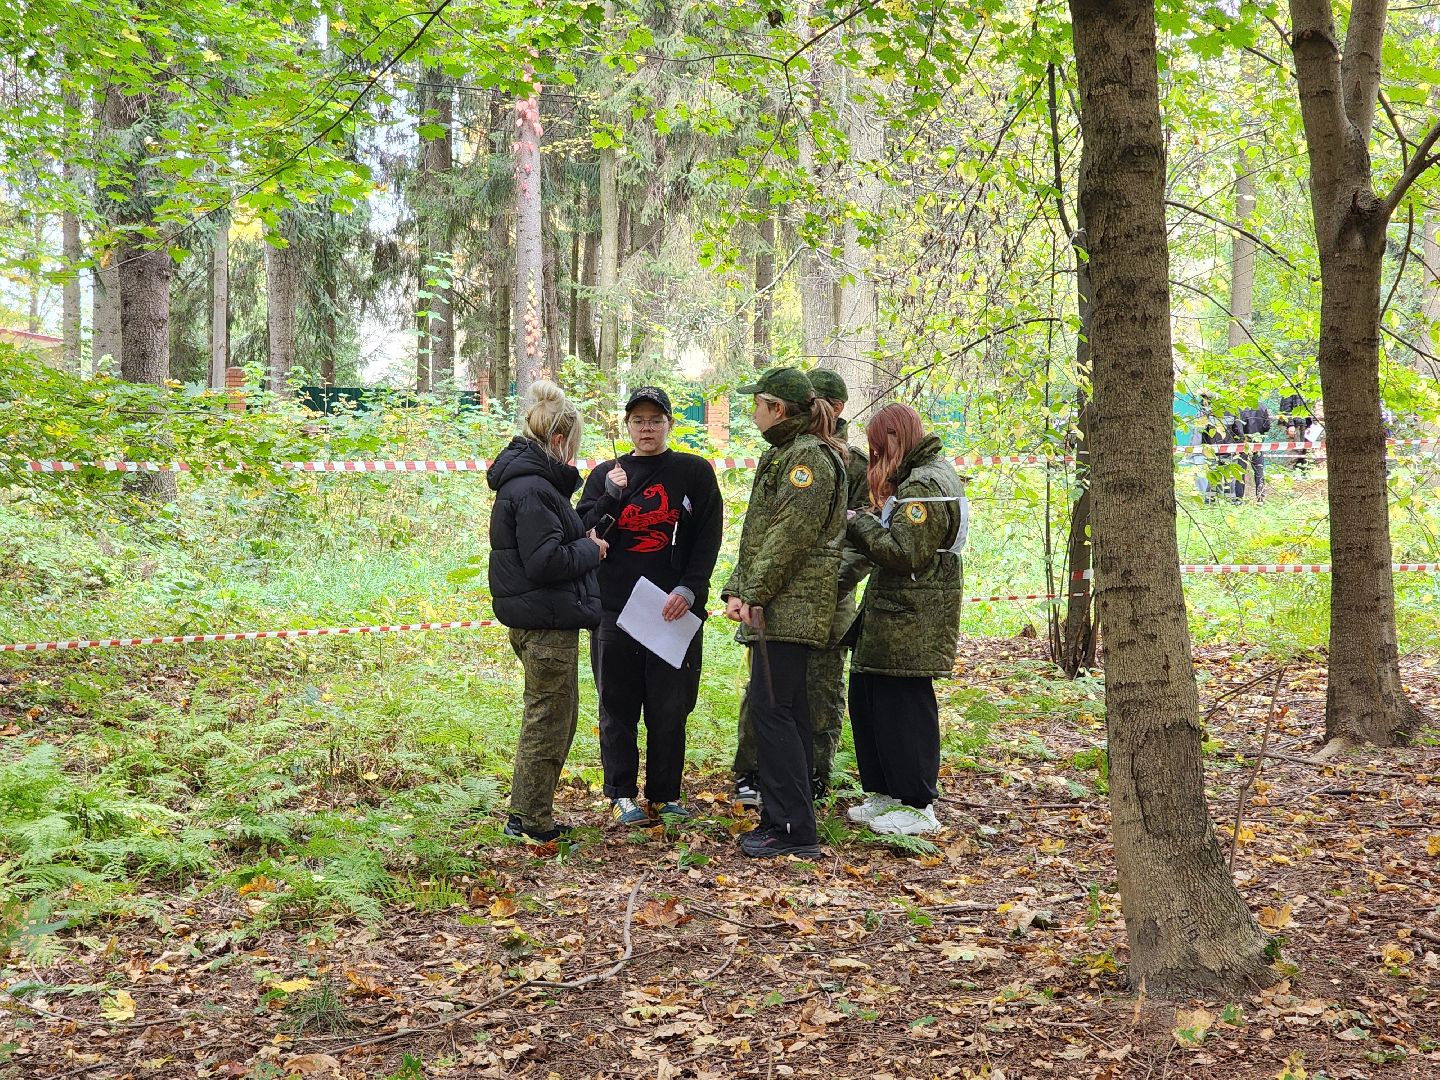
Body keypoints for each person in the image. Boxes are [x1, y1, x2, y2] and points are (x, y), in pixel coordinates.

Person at [577, 386, 724, 826]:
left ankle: (666, 794)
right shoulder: (606, 473)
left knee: (670, 706)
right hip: (615, 608)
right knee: (617, 705)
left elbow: (707, 537)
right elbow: (584, 532)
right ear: (628, 426)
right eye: (638, 420)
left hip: (671, 610)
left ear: (669, 424)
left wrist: (690, 589)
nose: (646, 428)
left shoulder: (693, 472)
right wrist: (610, 495)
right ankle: (621, 793)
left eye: (655, 420)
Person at [722, 366, 848, 858]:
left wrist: (753, 592)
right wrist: (738, 586)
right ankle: (783, 820)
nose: (752, 411)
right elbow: (761, 536)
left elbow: (789, 537)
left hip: (789, 610)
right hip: (776, 604)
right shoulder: (786, 454)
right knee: (777, 711)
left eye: (758, 403)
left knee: (774, 711)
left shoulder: (807, 461)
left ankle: (793, 829)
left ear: (777, 408)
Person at [487, 381, 607, 842]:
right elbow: (544, 561)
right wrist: (591, 550)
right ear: (559, 440)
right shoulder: (535, 489)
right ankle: (531, 821)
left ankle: (529, 813)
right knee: (548, 722)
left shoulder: (532, 484)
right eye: (574, 444)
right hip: (544, 622)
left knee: (555, 718)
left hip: (543, 617)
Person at [844, 403, 966, 836]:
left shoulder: (926, 483)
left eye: (880, 450)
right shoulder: (917, 479)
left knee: (905, 707)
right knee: (868, 698)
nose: (877, 460)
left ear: (898, 439)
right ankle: (885, 793)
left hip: (913, 617)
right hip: (892, 614)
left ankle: (917, 803)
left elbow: (906, 553)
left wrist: (861, 524)